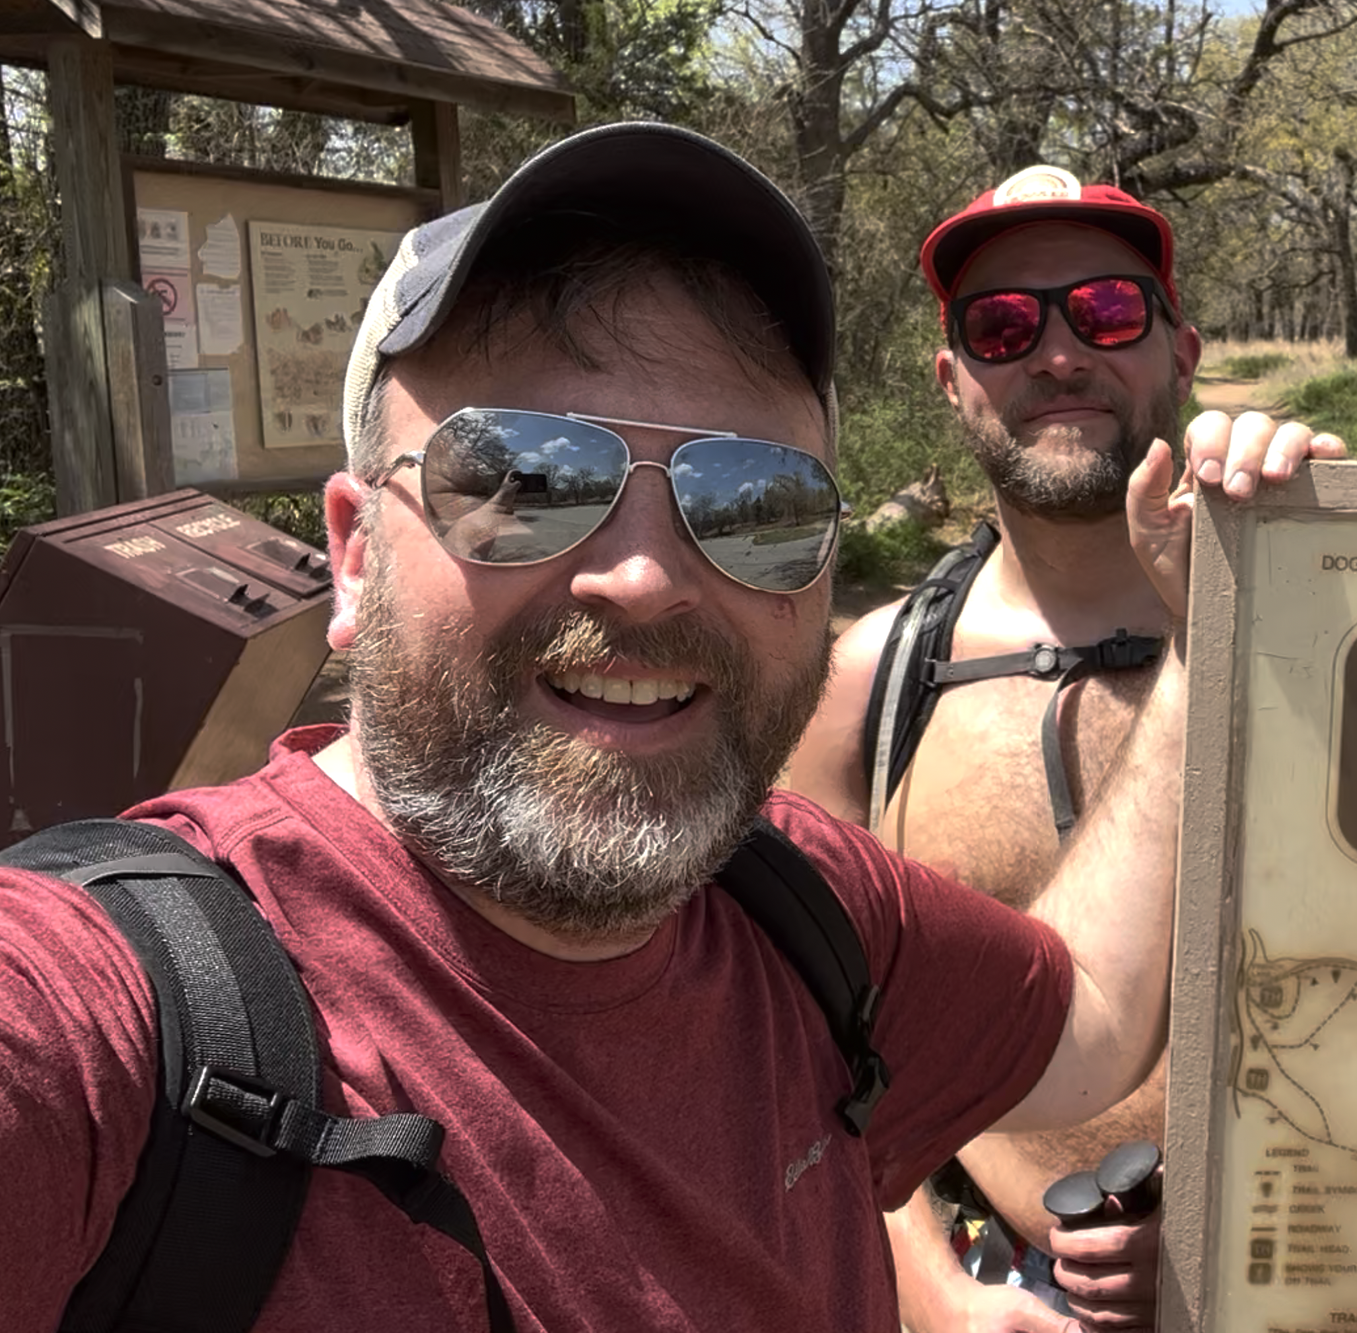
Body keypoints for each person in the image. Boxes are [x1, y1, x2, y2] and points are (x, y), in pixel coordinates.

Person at [2, 123, 1206, 1330]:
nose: (644, 578)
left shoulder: (805, 912)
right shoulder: (109, 1017)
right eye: (524, 479)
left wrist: (1204, 639)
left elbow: (1092, 1017)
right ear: (356, 554)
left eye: (751, 502)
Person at [780, 166, 1342, 1330]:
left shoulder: (1331, 628)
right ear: (953, 379)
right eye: (1001, 325)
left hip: (1310, 1281)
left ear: (1181, 351)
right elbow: (806, 1049)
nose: (1057, 353)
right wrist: (939, 1293)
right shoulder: (868, 687)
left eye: (1106, 312)